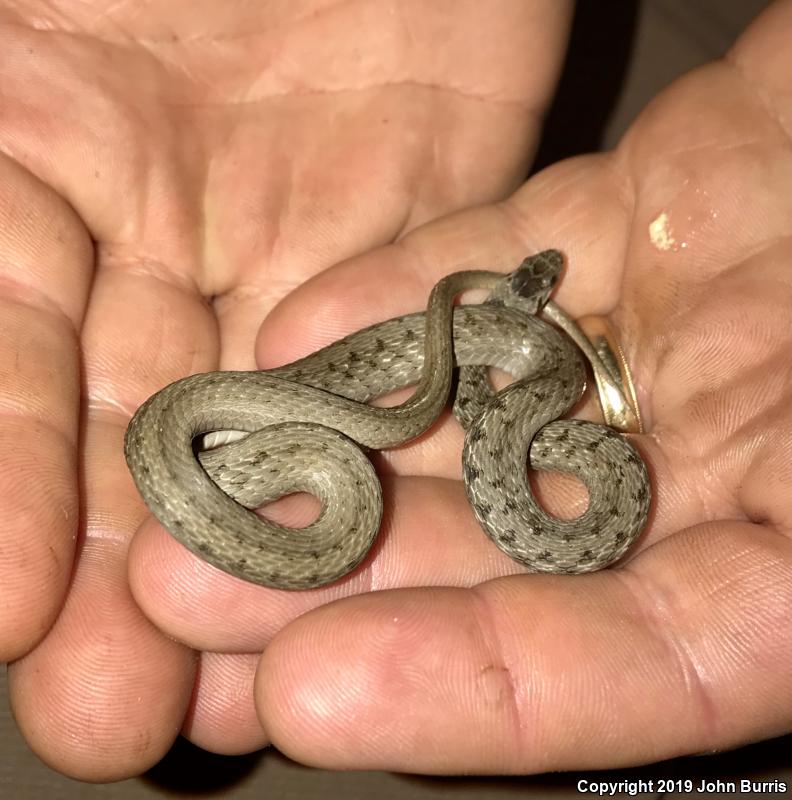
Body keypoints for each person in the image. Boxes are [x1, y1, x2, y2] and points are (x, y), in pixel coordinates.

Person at [2, 0, 791, 781]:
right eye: (534, 292)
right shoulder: (504, 374)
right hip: (321, 415)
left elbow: (507, 415)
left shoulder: (530, 378)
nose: (543, 288)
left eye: (535, 295)